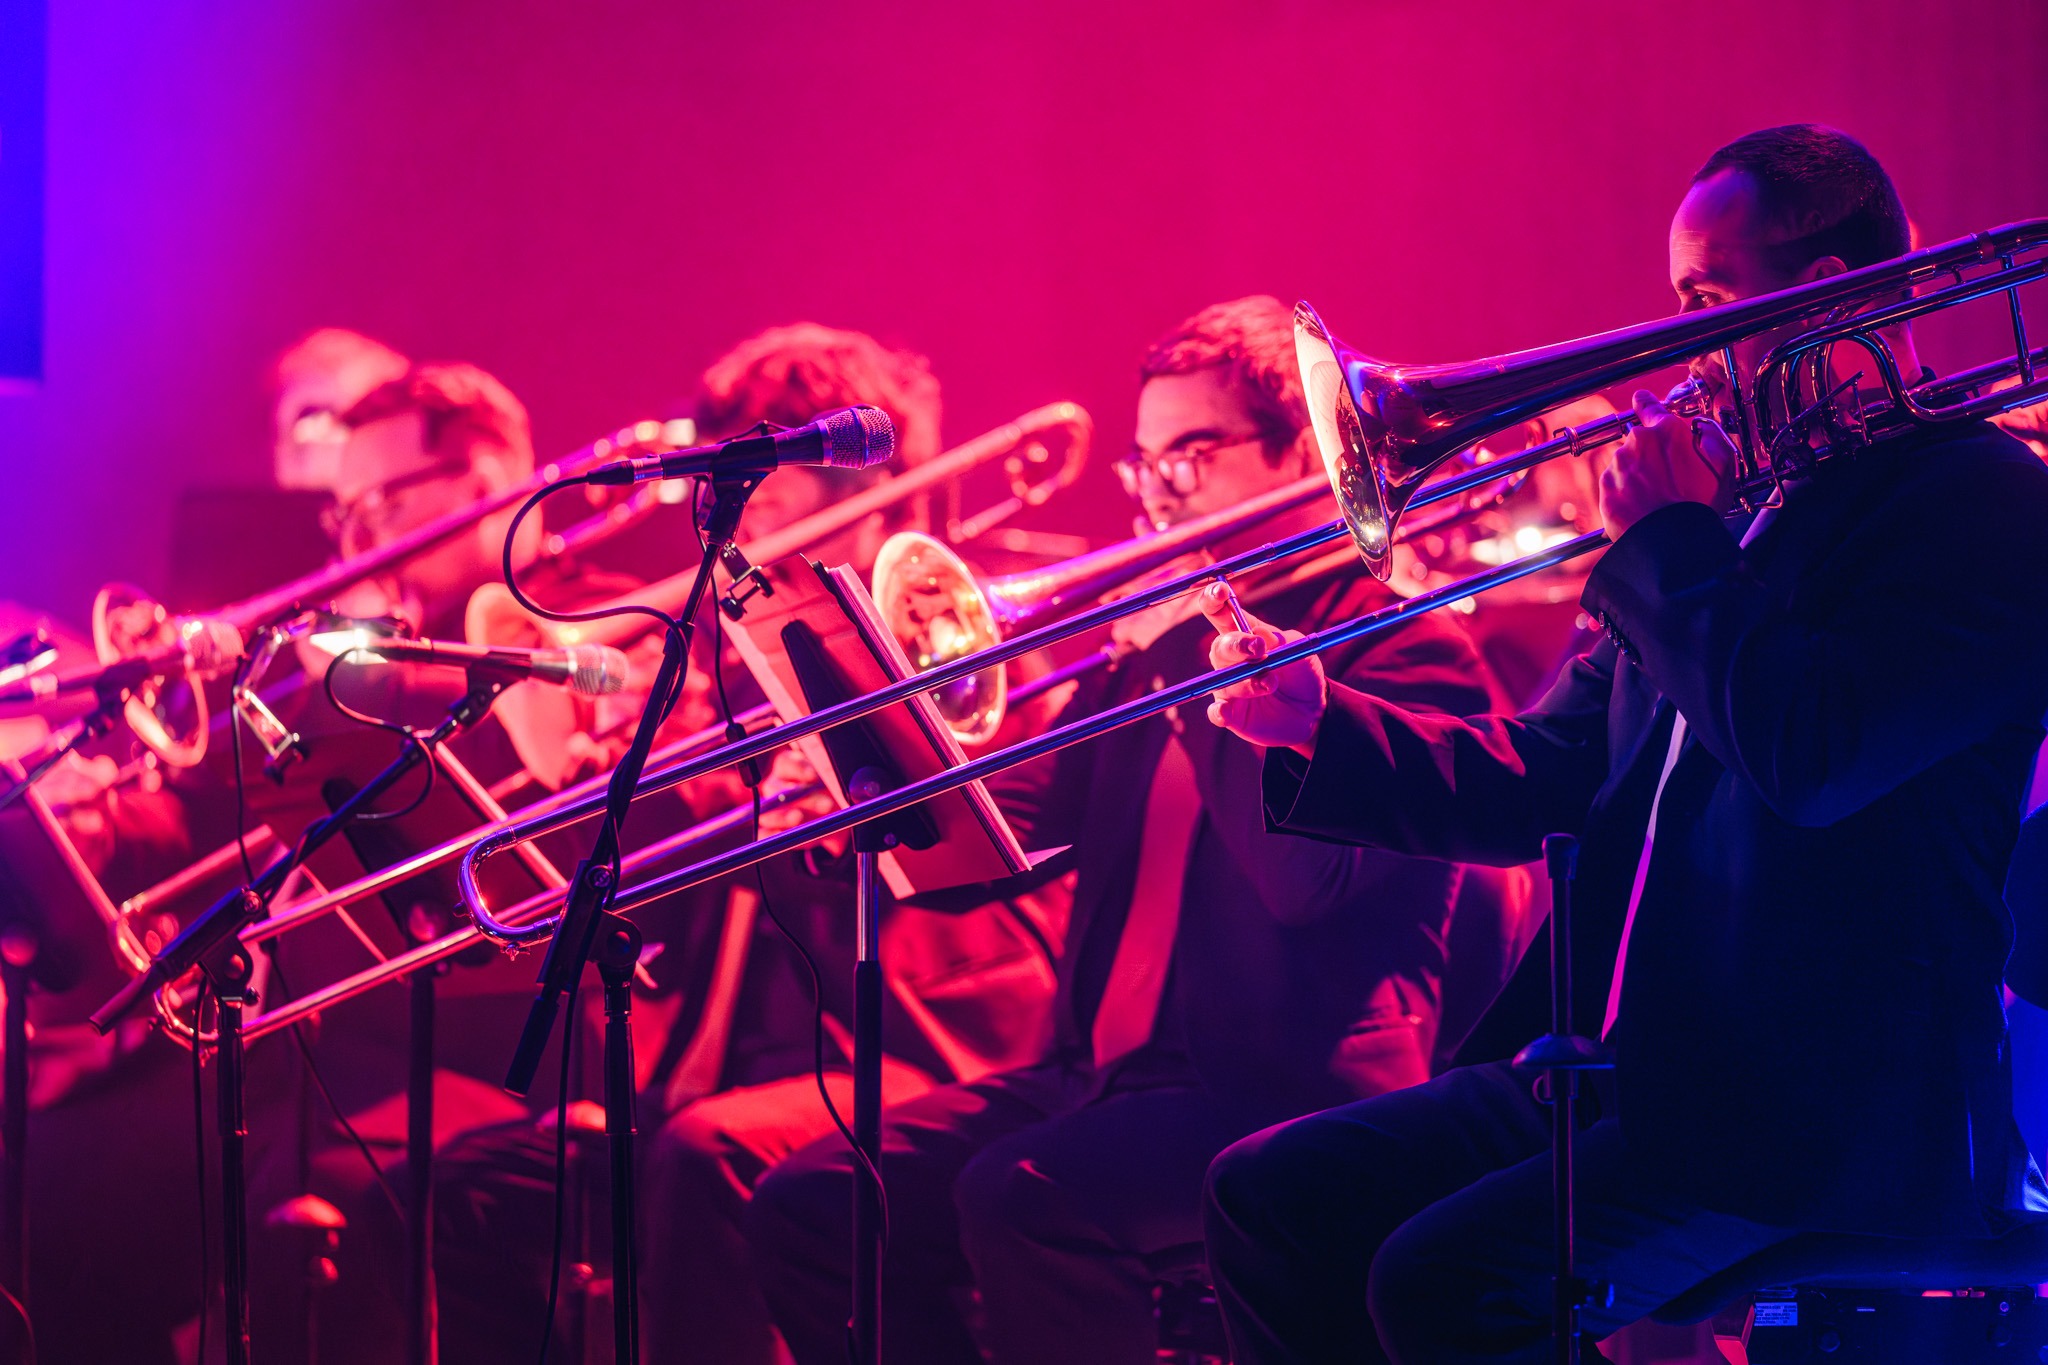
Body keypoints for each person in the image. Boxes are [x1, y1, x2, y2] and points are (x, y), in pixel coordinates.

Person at [1197, 124, 2048, 1364]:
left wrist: (1666, 549)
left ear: (1816, 294)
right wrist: (1317, 725)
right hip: (1623, 1072)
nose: (1676, 345)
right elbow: (1551, 774)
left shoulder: (1979, 498)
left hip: (1820, 1103)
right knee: (1269, 1199)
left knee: (1445, 1284)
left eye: (1703, 299)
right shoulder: (1733, 511)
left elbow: (1816, 755)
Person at [742, 296, 1521, 1365]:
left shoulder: (1399, 649)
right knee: (818, 1200)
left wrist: (1202, 665)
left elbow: (1305, 884)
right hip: (1106, 1074)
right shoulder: (1142, 646)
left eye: (1190, 456)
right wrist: (860, 782)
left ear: (1305, 448)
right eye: (1143, 465)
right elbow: (1009, 838)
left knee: (1022, 1199)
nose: (1158, 497)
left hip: (1283, 1084)